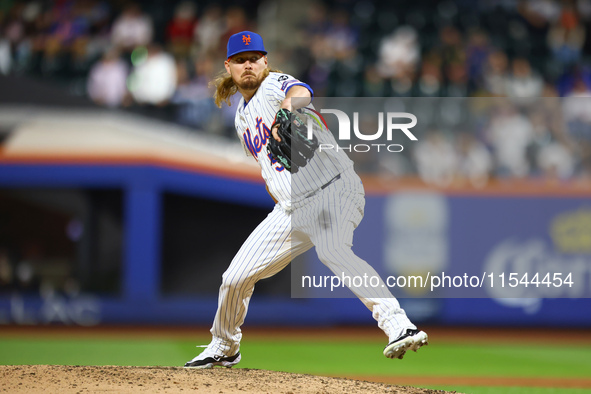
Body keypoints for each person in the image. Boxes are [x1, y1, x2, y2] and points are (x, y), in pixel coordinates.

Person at [184, 31, 428, 369]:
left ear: (265, 62)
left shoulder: (274, 86)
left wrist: (287, 107)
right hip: (290, 209)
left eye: (254, 58)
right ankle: (225, 345)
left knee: (333, 250)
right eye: (241, 60)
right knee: (235, 278)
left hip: (333, 188)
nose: (249, 65)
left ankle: (399, 325)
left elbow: (300, 91)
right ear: (229, 67)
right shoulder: (241, 118)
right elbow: (268, 168)